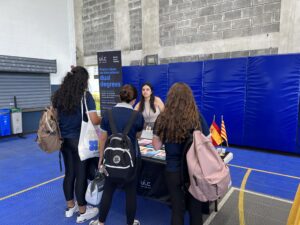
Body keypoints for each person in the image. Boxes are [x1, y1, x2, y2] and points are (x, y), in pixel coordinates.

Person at [152, 82, 209, 225]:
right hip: (194, 171)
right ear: (189, 98)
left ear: (170, 98)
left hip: (173, 171)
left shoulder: (163, 118)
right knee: (195, 209)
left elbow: (156, 145)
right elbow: (208, 143)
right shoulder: (197, 117)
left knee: (177, 209)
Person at [52, 66, 101, 223]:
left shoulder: (59, 95)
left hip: (63, 140)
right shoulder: (85, 96)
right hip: (80, 141)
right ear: (83, 81)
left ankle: (70, 206)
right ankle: (83, 210)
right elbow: (94, 120)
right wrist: (104, 118)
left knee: (69, 174)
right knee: (81, 175)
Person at [89, 84, 144, 225]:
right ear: (134, 100)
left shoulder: (107, 114)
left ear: (119, 97)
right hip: (131, 160)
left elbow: (102, 138)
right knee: (131, 193)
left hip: (110, 159)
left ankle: (101, 222)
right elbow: (138, 136)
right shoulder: (137, 116)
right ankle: (130, 223)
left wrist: (101, 158)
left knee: (108, 190)